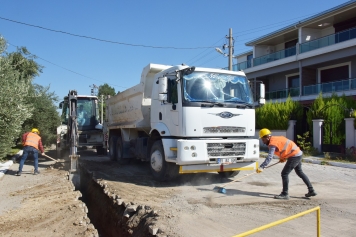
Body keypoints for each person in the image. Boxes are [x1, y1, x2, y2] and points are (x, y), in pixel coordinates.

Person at [256, 128, 317, 200]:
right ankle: (311, 190)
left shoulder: (272, 143)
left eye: (263, 139)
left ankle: (285, 194)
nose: (263, 141)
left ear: (268, 137)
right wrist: (283, 157)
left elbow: (270, 157)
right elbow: (284, 147)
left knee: (284, 173)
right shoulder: (275, 139)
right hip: (297, 153)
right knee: (300, 172)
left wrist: (262, 167)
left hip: (294, 156)